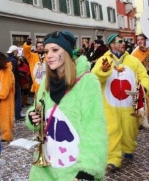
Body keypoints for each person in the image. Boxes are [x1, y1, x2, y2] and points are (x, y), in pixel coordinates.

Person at [26, 31, 108, 181]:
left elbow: (94, 129)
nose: (48, 55)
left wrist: (87, 170)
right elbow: (37, 108)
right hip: (45, 168)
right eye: (46, 51)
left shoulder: (88, 82)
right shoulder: (46, 81)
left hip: (74, 169)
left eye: (55, 50)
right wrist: (32, 117)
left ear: (68, 53)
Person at [92, 34, 149, 171]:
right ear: (112, 44)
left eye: (123, 41)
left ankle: (129, 147)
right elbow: (94, 77)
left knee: (130, 129)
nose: (123, 43)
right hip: (109, 105)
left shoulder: (133, 60)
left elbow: (144, 76)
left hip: (129, 104)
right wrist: (103, 71)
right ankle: (113, 158)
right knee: (111, 130)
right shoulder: (103, 60)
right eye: (119, 41)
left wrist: (144, 88)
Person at [0, 51, 15, 142]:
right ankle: (5, 133)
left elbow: (6, 86)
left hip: (5, 99)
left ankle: (7, 135)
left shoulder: (6, 71)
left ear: (0, 59)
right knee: (0, 117)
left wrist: (0, 96)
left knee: (5, 117)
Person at [132, 33, 149, 119]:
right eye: (138, 40)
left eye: (141, 39)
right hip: (141, 79)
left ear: (146, 40)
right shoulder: (134, 54)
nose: (139, 41)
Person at [7, 45, 25, 120]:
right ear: (15, 51)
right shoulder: (14, 60)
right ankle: (17, 115)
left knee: (11, 99)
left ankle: (11, 114)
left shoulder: (7, 59)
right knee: (18, 99)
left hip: (9, 82)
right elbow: (13, 72)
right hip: (15, 82)